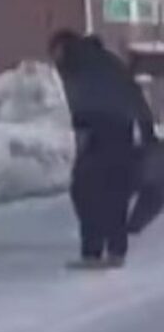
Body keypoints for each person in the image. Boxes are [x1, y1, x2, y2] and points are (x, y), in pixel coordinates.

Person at [50, 30, 152, 268]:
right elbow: (133, 93)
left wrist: (83, 131)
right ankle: (116, 250)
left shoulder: (77, 64)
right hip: (122, 131)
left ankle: (92, 251)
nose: (54, 59)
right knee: (114, 192)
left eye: (54, 52)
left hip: (97, 131)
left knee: (85, 192)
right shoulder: (107, 61)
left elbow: (81, 102)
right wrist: (146, 131)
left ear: (64, 47)